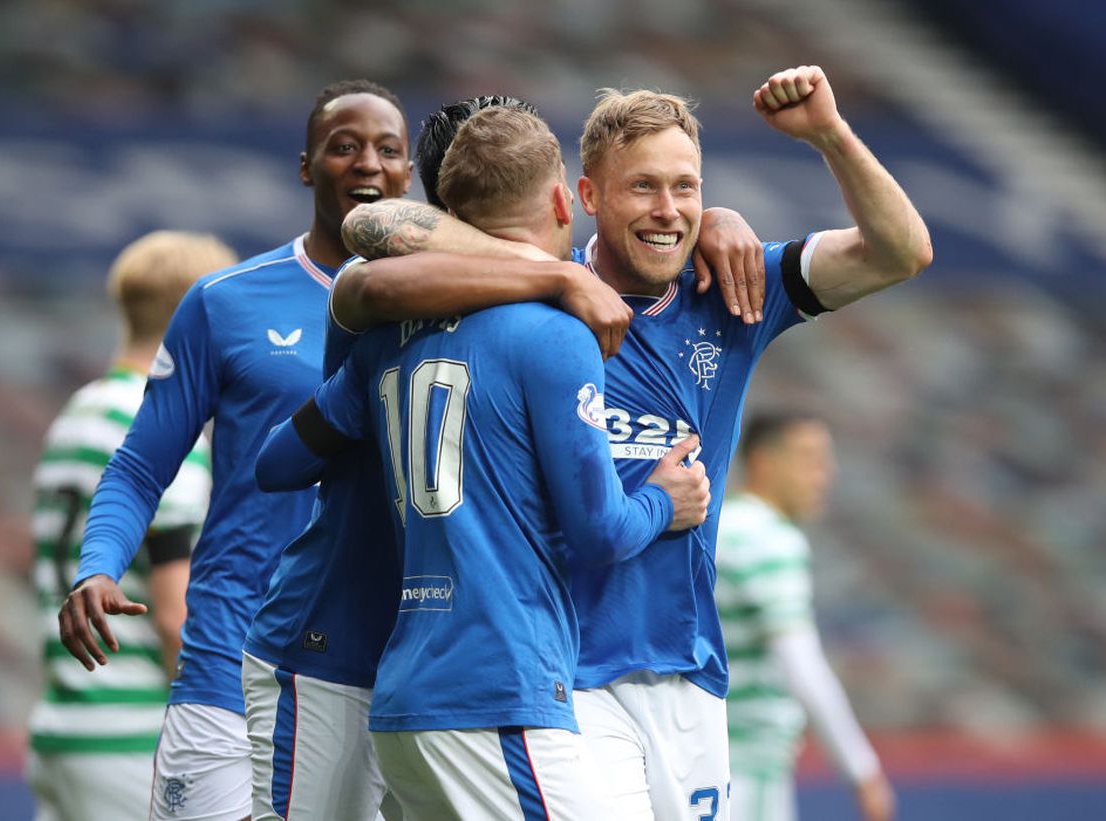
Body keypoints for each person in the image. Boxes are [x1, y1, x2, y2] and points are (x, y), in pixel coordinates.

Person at [340, 65, 932, 819]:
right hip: (567, 674)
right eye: (644, 187)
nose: (669, 209)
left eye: (686, 187)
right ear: (585, 197)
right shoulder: (532, 298)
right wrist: (548, 275)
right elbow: (375, 230)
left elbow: (901, 251)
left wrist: (828, 134)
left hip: (688, 673)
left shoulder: (735, 289)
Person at [273, 105, 713, 820]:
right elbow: (599, 532)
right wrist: (667, 500)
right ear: (563, 199)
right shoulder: (557, 331)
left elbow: (279, 461)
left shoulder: (387, 333)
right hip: (498, 690)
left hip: (403, 697)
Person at [56, 79, 413, 821]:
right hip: (232, 654)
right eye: (343, 146)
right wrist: (99, 565)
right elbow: (139, 465)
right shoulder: (226, 301)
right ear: (307, 166)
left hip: (379, 668)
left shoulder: (443, 308)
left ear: (409, 175)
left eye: (388, 149)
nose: (367, 164)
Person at [27, 231, 235, 821]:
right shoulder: (162, 433)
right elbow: (175, 615)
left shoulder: (79, 411)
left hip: (63, 725)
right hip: (132, 736)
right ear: (200, 314)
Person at [716, 411, 895, 821]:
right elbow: (802, 664)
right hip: (748, 762)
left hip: (706, 759)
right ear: (764, 461)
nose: (824, 473)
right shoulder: (770, 540)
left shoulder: (721, 525)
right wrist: (861, 769)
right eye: (809, 458)